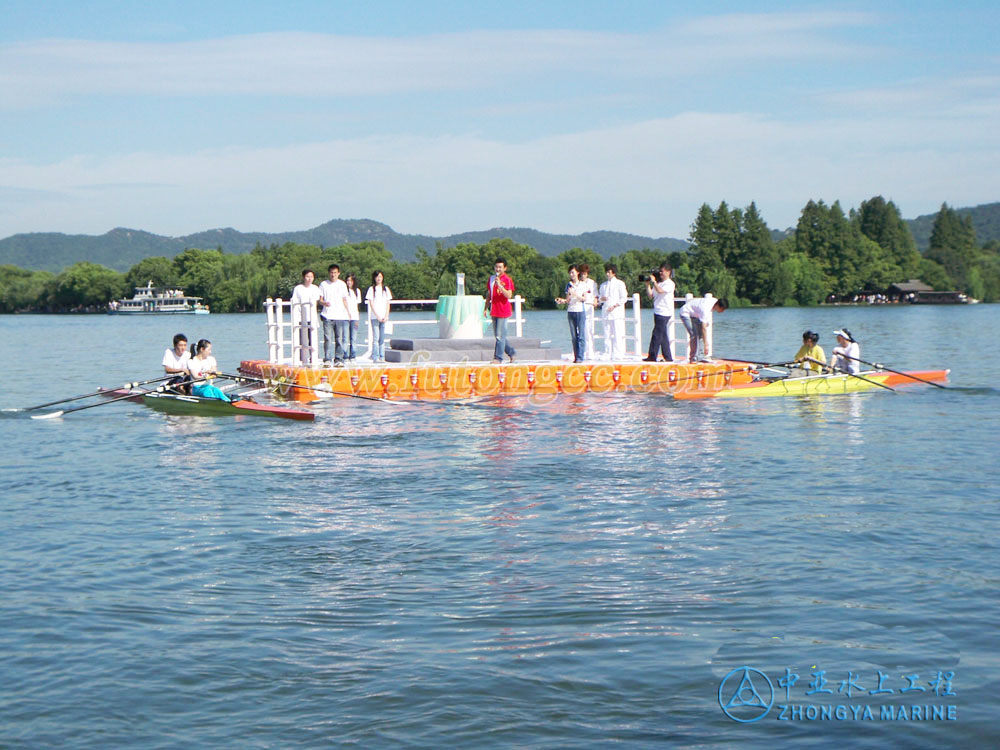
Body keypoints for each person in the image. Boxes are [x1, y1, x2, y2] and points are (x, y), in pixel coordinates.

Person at [484, 257, 516, 364]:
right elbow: (489, 294)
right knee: (499, 336)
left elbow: (509, 295)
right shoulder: (491, 279)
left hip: (503, 311)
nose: (498, 269)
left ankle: (498, 358)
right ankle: (511, 352)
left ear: (505, 268)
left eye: (500, 267)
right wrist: (485, 308)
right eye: (496, 267)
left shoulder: (507, 280)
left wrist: (500, 286)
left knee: (499, 336)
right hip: (494, 310)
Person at [679, 294, 728, 361]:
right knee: (694, 335)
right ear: (718, 305)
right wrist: (706, 345)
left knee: (701, 335)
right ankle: (693, 358)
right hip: (685, 313)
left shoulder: (714, 301)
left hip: (696, 315)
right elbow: (703, 328)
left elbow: (704, 322)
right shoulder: (706, 307)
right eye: (722, 309)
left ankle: (700, 356)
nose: (722, 311)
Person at [643, 263, 675, 362]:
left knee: (656, 334)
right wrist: (647, 285)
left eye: (662, 271)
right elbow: (651, 295)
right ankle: (668, 357)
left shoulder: (670, 283)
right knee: (663, 335)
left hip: (664, 312)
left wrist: (654, 282)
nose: (660, 273)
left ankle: (652, 356)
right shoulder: (659, 283)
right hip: (657, 311)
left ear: (668, 272)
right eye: (660, 271)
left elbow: (660, 291)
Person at [319, 264, 350, 367]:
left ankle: (338, 359)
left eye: (335, 273)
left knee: (339, 338)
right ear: (329, 273)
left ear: (338, 273)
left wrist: (348, 312)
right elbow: (320, 299)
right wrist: (324, 303)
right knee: (328, 338)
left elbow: (344, 299)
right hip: (327, 315)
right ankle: (327, 358)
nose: (333, 275)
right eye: (331, 272)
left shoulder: (342, 284)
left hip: (340, 315)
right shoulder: (323, 284)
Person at [555, 264, 586, 363]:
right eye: (570, 273)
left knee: (581, 335)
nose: (571, 274)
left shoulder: (583, 284)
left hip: (580, 311)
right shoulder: (568, 285)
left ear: (577, 272)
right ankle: (576, 357)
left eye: (573, 272)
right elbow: (568, 299)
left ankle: (580, 357)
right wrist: (562, 301)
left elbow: (584, 298)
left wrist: (575, 294)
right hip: (571, 311)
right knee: (573, 337)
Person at [290, 269, 321, 365]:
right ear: (304, 277)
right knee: (301, 339)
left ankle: (313, 357)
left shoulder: (315, 288)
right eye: (307, 276)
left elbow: (316, 300)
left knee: (312, 339)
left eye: (311, 277)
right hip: (300, 318)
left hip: (312, 318)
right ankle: (302, 358)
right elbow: (294, 301)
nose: (309, 279)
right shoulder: (298, 288)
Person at [598, 264, 629, 360]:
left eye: (609, 272)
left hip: (616, 312)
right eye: (606, 272)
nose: (607, 274)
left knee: (617, 333)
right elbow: (600, 299)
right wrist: (601, 299)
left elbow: (624, 298)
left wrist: (615, 305)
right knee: (607, 333)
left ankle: (618, 353)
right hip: (606, 312)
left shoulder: (620, 283)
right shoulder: (603, 285)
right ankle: (607, 353)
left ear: (614, 273)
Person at [365, 270, 392, 362]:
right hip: (375, 317)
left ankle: (382, 356)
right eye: (377, 277)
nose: (379, 278)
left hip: (384, 317)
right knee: (376, 337)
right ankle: (375, 357)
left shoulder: (386, 289)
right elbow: (371, 304)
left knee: (382, 338)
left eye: (380, 276)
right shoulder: (371, 289)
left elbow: (388, 303)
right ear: (374, 278)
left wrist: (386, 315)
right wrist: (377, 316)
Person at [579, 264, 598, 360]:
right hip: (579, 308)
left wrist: (595, 301)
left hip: (589, 309)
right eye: (581, 274)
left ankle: (590, 352)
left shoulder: (592, 283)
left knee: (589, 330)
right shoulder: (577, 283)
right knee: (579, 331)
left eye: (585, 274)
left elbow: (595, 295)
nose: (583, 276)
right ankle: (580, 351)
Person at [344, 273, 361, 362]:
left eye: (351, 280)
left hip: (354, 317)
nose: (349, 282)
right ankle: (345, 356)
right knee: (345, 337)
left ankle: (353, 356)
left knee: (353, 338)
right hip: (345, 317)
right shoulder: (343, 291)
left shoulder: (357, 291)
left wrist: (357, 318)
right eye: (347, 280)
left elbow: (357, 306)